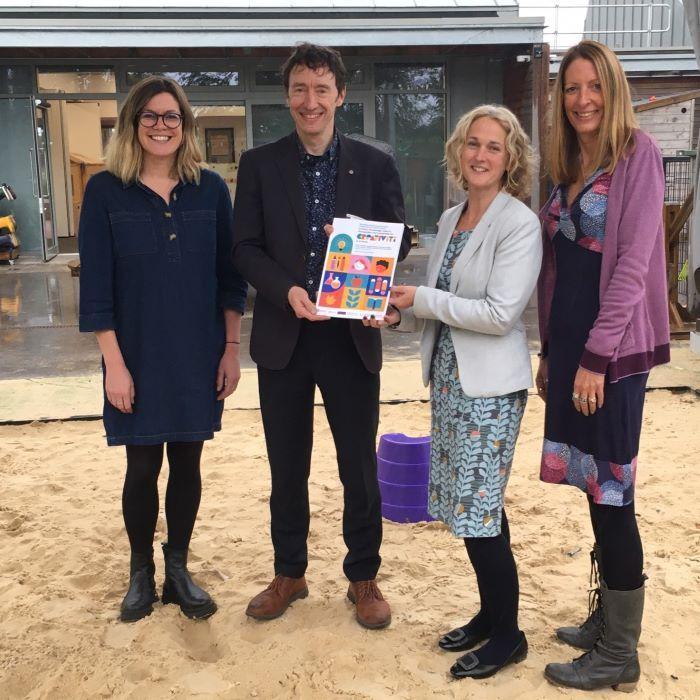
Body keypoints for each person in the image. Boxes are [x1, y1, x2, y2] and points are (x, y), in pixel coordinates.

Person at [232, 42, 411, 629]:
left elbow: (397, 238)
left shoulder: (375, 163)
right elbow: (244, 249)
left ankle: (363, 577)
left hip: (349, 336)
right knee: (287, 464)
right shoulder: (260, 164)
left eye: (322, 89)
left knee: (358, 465)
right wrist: (285, 290)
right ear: (289, 96)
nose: (311, 101)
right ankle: (290, 572)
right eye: (301, 89)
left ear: (340, 95)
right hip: (285, 335)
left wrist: (360, 238)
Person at [78, 76, 247, 622]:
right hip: (138, 356)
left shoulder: (211, 189)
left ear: (185, 125)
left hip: (198, 352)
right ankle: (140, 573)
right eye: (149, 116)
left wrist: (229, 349)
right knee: (142, 464)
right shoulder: (106, 191)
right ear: (132, 125)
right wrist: (115, 366)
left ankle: (177, 570)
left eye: (171, 116)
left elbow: (230, 279)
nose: (160, 126)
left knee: (189, 462)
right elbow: (97, 288)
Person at [385, 105, 541, 679]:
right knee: (469, 507)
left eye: (493, 147)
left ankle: (509, 636)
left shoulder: (518, 223)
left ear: (511, 159)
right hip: (450, 382)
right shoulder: (451, 219)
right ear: (458, 152)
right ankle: (489, 616)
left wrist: (419, 301)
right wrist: (397, 318)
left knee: (479, 511)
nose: (480, 154)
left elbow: (500, 314)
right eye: (472, 143)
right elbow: (438, 305)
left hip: (492, 390)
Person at [536, 40, 670, 692]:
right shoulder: (569, 159)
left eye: (593, 86)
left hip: (611, 357)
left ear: (612, 91)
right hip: (572, 350)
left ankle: (620, 652)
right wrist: (551, 352)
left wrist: (594, 358)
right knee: (594, 487)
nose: (582, 99)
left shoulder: (637, 155)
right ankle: (604, 619)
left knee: (614, 495)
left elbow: (633, 264)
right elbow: (558, 267)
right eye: (571, 88)